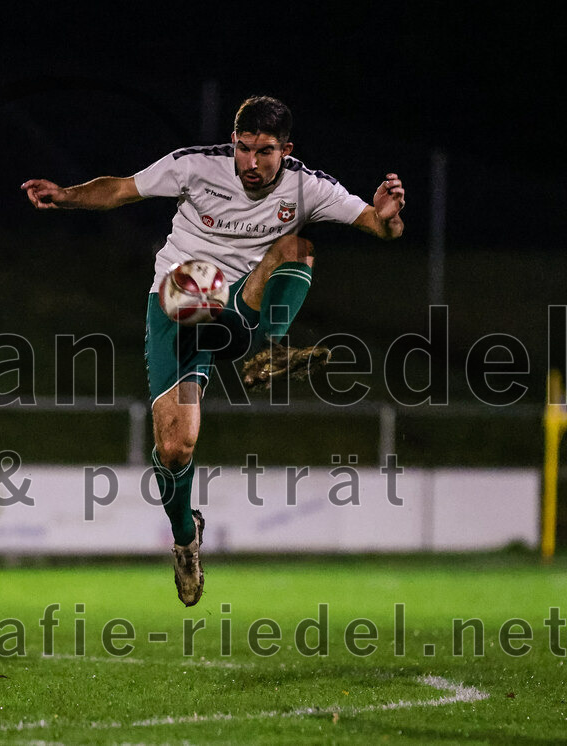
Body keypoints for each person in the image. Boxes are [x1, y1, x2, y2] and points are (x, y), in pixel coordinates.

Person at [22, 95, 405, 606]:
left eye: (264, 152)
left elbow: (380, 226)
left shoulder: (306, 186)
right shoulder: (195, 166)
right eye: (243, 149)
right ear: (233, 143)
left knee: (298, 248)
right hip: (175, 306)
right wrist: (66, 195)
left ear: (285, 149)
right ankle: (185, 538)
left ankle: (268, 347)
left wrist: (389, 215)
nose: (251, 162)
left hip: (239, 305)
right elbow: (122, 189)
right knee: (176, 446)